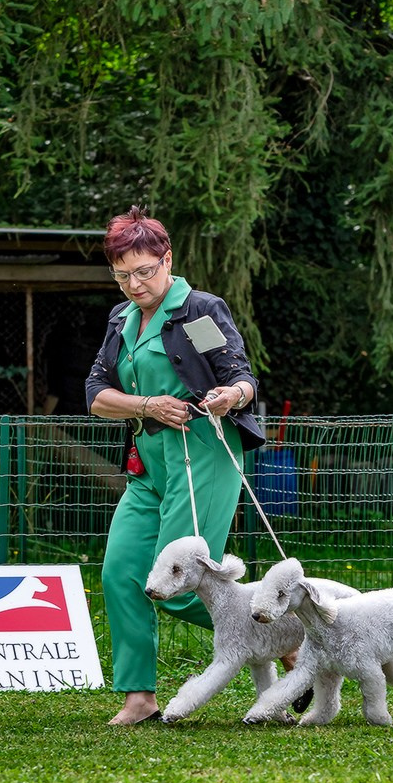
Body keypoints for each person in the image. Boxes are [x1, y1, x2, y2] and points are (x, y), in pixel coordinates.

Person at [86, 205, 265, 725]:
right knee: (121, 573)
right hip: (149, 462)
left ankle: (282, 634)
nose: (135, 284)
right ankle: (139, 697)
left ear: (168, 259)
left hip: (203, 455)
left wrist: (230, 395)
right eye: (123, 275)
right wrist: (145, 406)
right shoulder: (120, 320)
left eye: (145, 270)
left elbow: (242, 377)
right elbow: (97, 394)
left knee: (179, 583)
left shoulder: (198, 313)